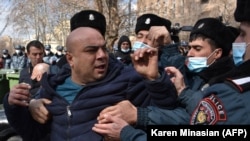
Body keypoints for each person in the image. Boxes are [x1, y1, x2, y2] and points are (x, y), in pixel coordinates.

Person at [3, 10, 177, 141]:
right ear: (70, 58)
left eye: (103, 48)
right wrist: (15, 105)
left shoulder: (130, 80)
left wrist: (154, 83)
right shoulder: (53, 86)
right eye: (91, 50)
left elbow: (171, 119)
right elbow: (34, 135)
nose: (102, 55)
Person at [92, 17, 238, 140]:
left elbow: (194, 121)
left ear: (217, 53)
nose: (190, 54)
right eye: (190, 47)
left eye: (197, 49)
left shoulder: (225, 86)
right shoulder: (193, 75)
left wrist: (137, 118)